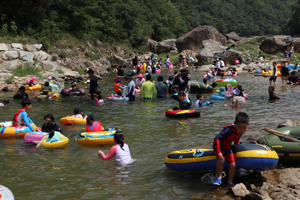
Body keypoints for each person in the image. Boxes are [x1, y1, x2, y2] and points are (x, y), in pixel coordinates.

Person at [213, 112, 249, 186]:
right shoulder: (229, 130)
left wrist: (237, 146)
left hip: (227, 147)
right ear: (235, 123)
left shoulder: (240, 131)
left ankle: (229, 181)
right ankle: (219, 176)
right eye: (239, 127)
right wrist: (219, 151)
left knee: (233, 165)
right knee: (221, 159)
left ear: (247, 125)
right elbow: (217, 138)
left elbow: (237, 139)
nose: (241, 130)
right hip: (219, 146)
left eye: (244, 128)